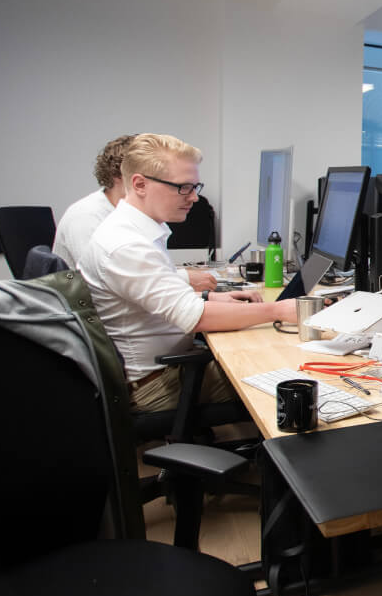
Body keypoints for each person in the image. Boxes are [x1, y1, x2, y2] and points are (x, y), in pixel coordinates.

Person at [79, 133, 299, 412]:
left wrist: (211, 297)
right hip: (154, 386)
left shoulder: (136, 230)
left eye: (195, 187)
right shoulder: (126, 245)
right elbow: (197, 317)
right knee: (287, 372)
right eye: (183, 187)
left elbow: (159, 293)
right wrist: (278, 310)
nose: (194, 197)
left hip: (164, 368)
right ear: (140, 184)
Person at [54, 133, 217, 292]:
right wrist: (184, 278)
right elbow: (112, 278)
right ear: (121, 175)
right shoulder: (85, 216)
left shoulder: (139, 216)